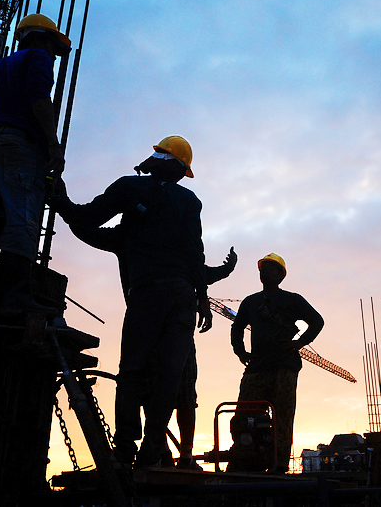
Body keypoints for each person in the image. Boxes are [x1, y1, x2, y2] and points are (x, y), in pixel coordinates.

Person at [49, 135, 212, 469]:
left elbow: (88, 223)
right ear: (179, 170)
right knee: (169, 376)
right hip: (183, 298)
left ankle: (124, 449)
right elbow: (196, 254)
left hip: (148, 294)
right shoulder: (190, 202)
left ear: (157, 159)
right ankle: (151, 450)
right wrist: (204, 300)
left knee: (133, 370)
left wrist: (61, 202)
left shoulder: (129, 188)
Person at [67, 219, 237, 470]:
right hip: (162, 327)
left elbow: (84, 227)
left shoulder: (147, 240)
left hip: (153, 326)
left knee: (171, 390)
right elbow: (84, 228)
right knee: (158, 389)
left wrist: (225, 270)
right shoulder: (144, 238)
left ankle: (176, 452)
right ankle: (162, 450)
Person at [0, 13, 70, 320]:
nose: (53, 55)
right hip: (19, 146)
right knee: (23, 218)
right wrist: (51, 142)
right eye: (52, 45)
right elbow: (39, 97)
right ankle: (15, 298)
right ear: (43, 38)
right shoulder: (38, 57)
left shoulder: (0, 67)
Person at [230, 253, 324, 473]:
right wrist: (240, 352)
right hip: (258, 365)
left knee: (283, 415)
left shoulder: (293, 300)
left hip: (284, 366)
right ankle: (246, 456)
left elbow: (317, 321)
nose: (265, 272)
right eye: (263, 268)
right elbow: (237, 327)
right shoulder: (251, 302)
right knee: (244, 412)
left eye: (271, 269)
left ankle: (279, 463)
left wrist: (299, 343)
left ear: (281, 275)